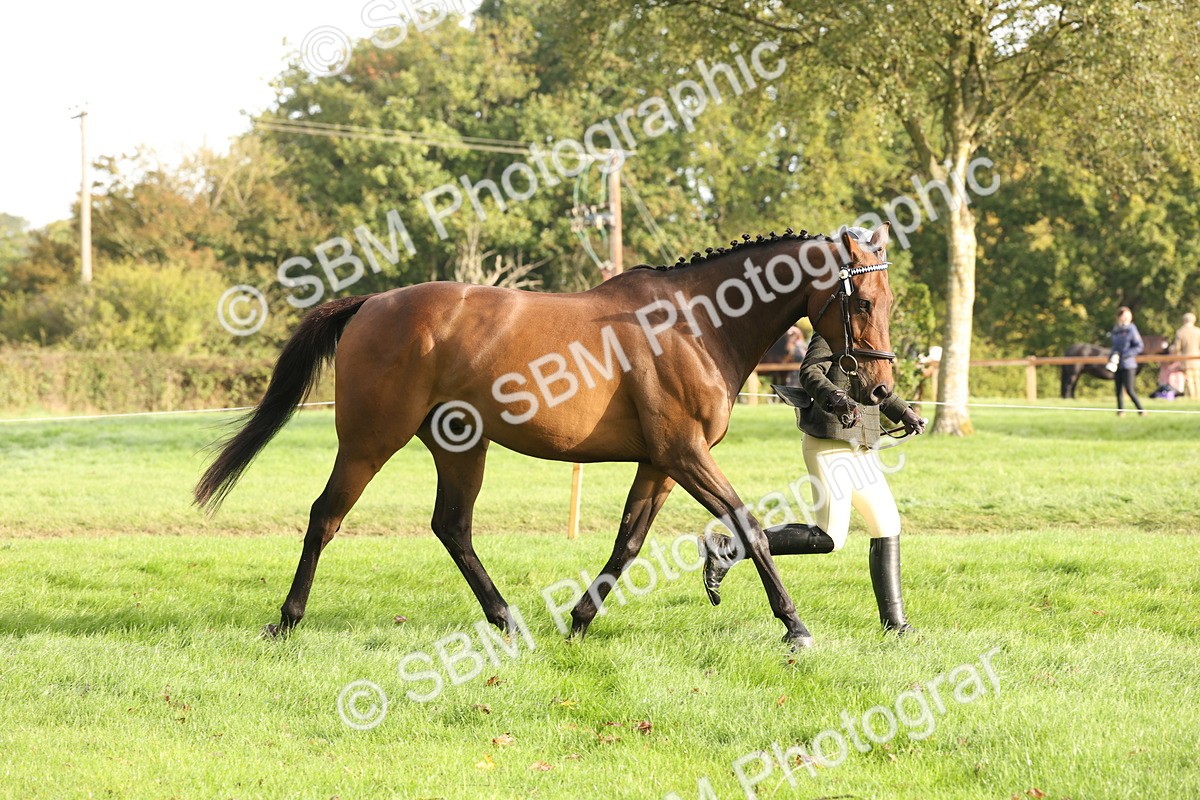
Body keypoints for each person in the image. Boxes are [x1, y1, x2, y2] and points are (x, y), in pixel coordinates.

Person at [702, 333, 926, 635]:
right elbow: (809, 373)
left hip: (861, 448)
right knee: (831, 536)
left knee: (887, 525)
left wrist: (903, 411)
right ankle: (728, 548)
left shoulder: (868, 337)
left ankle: (896, 627)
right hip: (829, 444)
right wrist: (836, 398)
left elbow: (876, 386)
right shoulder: (831, 332)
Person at [1109, 306, 1145, 416]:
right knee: (1118, 389)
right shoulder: (1116, 330)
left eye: (1127, 316)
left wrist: (1125, 354)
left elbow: (1139, 346)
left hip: (1128, 364)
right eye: (1123, 316)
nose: (1125, 319)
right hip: (1117, 363)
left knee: (1129, 390)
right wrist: (1112, 356)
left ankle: (1141, 410)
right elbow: (1114, 346)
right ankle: (1121, 411)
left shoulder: (1132, 329)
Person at [1173, 312, 1200, 399]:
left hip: (1186, 359)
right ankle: (1198, 396)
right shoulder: (1198, 331)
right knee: (1197, 379)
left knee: (1189, 380)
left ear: (1184, 320)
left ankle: (1192, 397)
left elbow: (1177, 348)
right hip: (1197, 358)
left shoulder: (1180, 332)